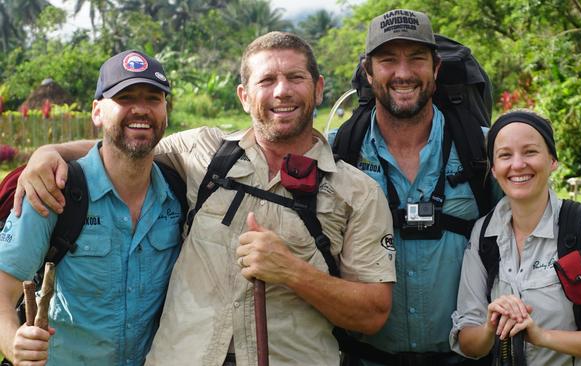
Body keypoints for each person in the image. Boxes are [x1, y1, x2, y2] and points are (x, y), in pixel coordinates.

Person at [13, 32, 396, 366]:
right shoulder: (204, 151)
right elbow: (127, 143)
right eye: (267, 80)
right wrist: (50, 151)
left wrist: (295, 272)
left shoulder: (357, 191)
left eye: (295, 77)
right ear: (244, 96)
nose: (282, 90)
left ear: (318, 88)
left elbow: (373, 314)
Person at [328, 8, 581, 366]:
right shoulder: (338, 152)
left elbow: (534, 199)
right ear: (368, 72)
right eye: (388, 60)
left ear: (435, 69)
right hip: (363, 357)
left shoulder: (481, 149)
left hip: (466, 357)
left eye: (416, 58)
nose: (403, 73)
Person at [0, 50, 183, 365]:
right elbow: (3, 289)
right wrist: (13, 343)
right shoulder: (55, 189)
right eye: (125, 97)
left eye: (154, 98)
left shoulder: (179, 189)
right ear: (97, 112)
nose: (141, 109)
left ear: (166, 110)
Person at [450, 110, 581, 365]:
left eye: (530, 152)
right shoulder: (484, 233)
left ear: (552, 160)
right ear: (493, 169)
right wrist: (489, 327)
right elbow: (467, 340)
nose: (517, 164)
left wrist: (541, 336)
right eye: (505, 155)